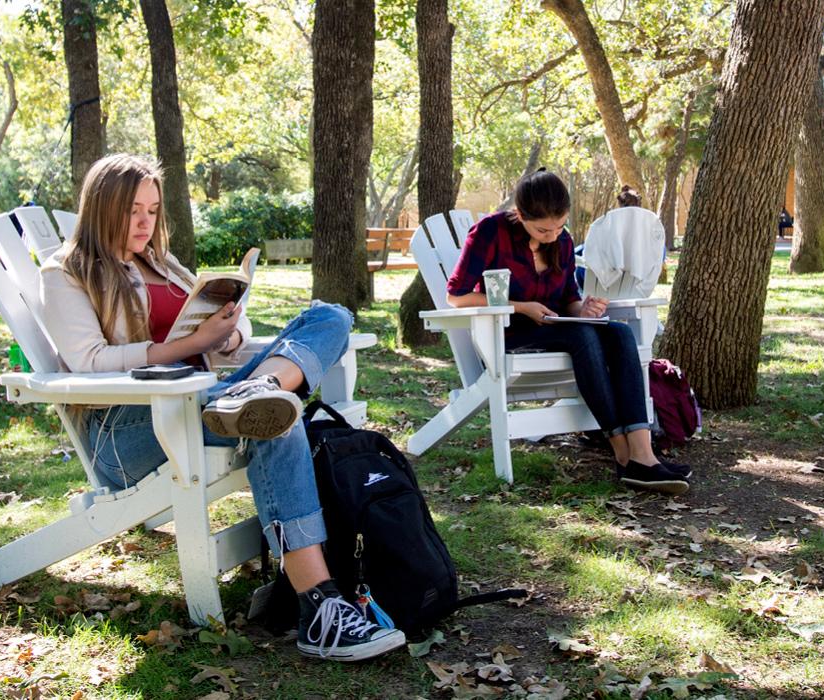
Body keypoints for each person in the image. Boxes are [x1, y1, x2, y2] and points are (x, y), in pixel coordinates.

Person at [38, 155, 404, 662]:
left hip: (202, 398)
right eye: (132, 211)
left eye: (152, 209)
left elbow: (227, 332)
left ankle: (259, 391)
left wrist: (229, 332)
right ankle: (318, 606)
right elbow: (88, 362)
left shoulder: (159, 262)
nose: (145, 222)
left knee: (330, 316)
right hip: (129, 425)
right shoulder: (65, 273)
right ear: (102, 209)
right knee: (278, 420)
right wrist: (185, 347)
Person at [444, 169, 692, 495]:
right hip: (506, 336)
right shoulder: (491, 232)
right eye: (543, 229)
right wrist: (521, 306)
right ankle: (622, 451)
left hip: (557, 329)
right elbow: (456, 296)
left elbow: (569, 302)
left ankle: (643, 455)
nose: (553, 235)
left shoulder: (562, 242)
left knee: (618, 333)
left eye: (560, 226)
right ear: (520, 216)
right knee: (582, 336)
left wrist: (584, 310)